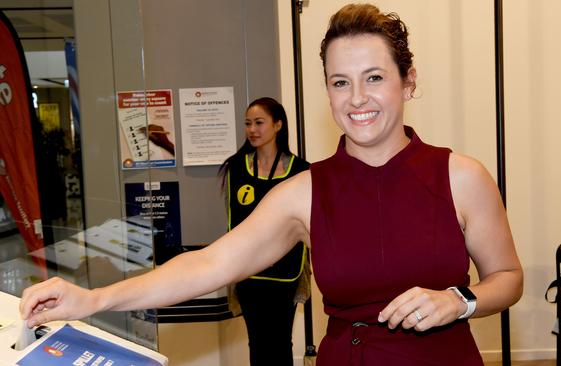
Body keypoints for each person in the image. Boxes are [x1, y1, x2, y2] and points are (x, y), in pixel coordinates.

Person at [19, 4, 523, 365]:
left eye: (374, 77)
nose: (356, 98)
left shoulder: (461, 176)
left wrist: (460, 300)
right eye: (340, 81)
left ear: (407, 81)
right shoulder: (305, 191)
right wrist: (94, 298)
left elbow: (507, 277)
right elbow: (210, 264)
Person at [219, 97, 310, 366]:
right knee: (257, 342)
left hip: (286, 271)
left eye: (259, 122)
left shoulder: (301, 170)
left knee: (281, 342)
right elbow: (233, 222)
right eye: (248, 123)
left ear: (278, 125)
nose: (252, 130)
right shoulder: (236, 167)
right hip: (248, 271)